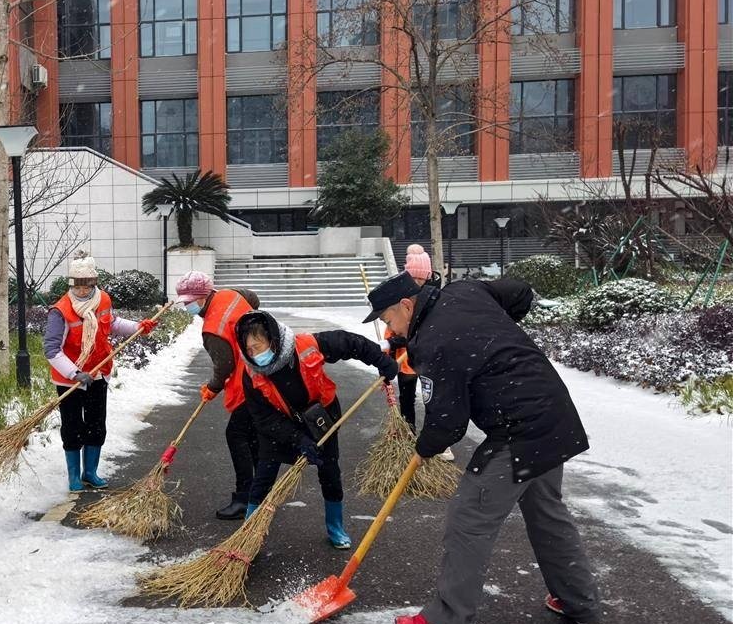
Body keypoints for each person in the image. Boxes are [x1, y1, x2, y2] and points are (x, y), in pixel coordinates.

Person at [364, 272, 601, 624]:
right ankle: (578, 601)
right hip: (554, 415)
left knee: (468, 519)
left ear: (406, 305)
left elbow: (449, 421)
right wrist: (492, 333)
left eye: (388, 320)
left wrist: (424, 448)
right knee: (547, 515)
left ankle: (446, 617)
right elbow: (520, 292)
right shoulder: (464, 291)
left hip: (518, 431)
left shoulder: (435, 341)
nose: (389, 330)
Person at [235, 310, 399, 549]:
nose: (254, 354)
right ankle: (248, 534)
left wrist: (381, 360)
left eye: (258, 346)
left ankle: (335, 527)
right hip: (280, 426)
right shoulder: (251, 372)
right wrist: (297, 439)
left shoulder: (306, 346)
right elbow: (263, 418)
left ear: (273, 340)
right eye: (249, 350)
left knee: (329, 472)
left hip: (320, 419)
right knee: (263, 476)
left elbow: (350, 342)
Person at [44, 251, 158, 492]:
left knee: (96, 425)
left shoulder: (103, 300)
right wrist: (75, 373)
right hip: (70, 381)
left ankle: (90, 472)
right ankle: (74, 476)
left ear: (94, 283)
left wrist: (138, 327)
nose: (82, 291)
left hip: (98, 372)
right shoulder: (61, 311)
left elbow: (112, 323)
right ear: (71, 284)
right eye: (77, 286)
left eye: (87, 286)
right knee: (72, 427)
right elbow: (52, 350)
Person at [174, 271, 261, 520]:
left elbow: (224, 366)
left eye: (190, 302)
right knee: (254, 436)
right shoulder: (230, 294)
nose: (188, 306)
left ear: (203, 297)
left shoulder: (213, 329)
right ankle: (260, 491)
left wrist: (212, 388)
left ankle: (244, 498)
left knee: (237, 435)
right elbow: (253, 298)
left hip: (249, 382)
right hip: (263, 372)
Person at [384, 245, 454, 461]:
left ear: (426, 276)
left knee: (433, 400)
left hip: (429, 359)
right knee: (407, 399)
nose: (416, 282)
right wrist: (391, 344)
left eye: (419, 277)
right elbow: (394, 325)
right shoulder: (401, 296)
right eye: (412, 277)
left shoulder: (436, 298)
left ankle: (439, 442)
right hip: (405, 359)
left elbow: (435, 328)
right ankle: (408, 434)